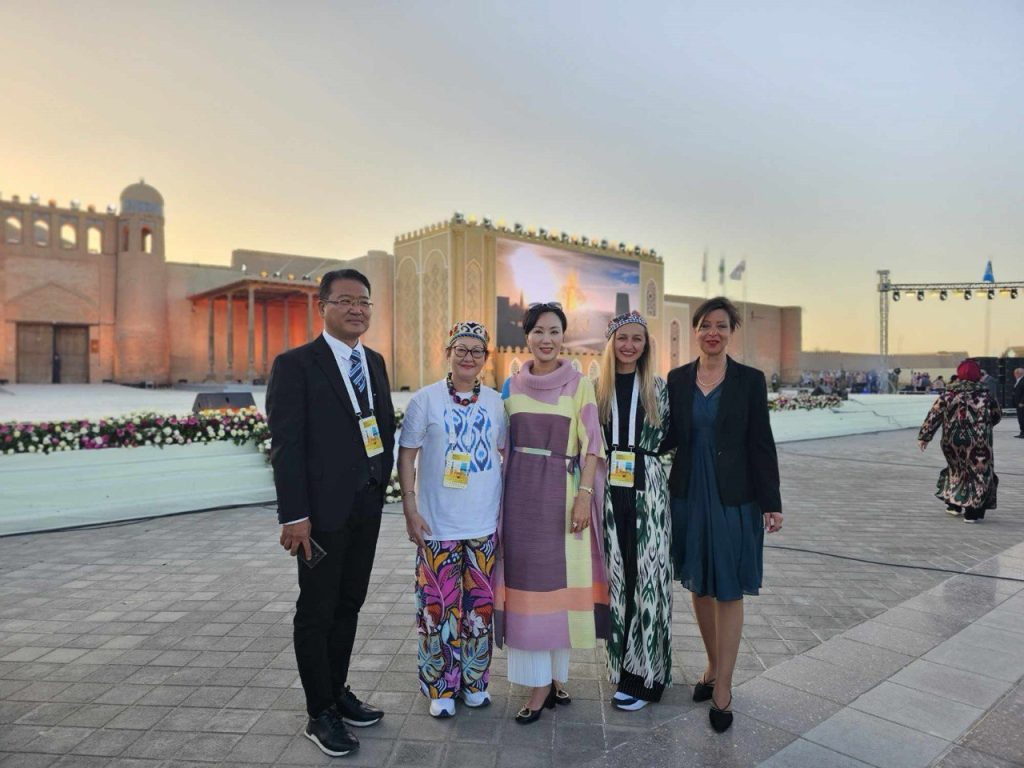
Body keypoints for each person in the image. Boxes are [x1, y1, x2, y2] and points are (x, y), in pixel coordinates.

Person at [266, 268, 395, 758]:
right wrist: (294, 515)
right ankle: (319, 712)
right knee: (317, 610)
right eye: (345, 300)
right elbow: (287, 446)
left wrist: (379, 486)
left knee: (349, 603)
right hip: (318, 517)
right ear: (322, 307)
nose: (356, 309)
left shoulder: (374, 362)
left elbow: (381, 429)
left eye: (364, 301)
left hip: (365, 508)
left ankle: (337, 691)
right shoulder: (296, 365)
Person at [664, 296, 783, 734]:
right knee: (699, 583)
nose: (712, 333)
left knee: (729, 587)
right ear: (695, 331)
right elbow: (667, 435)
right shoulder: (677, 379)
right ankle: (713, 666)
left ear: (731, 332)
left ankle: (724, 687)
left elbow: (761, 442)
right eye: (705, 325)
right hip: (689, 493)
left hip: (735, 496)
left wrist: (771, 501)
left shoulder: (749, 381)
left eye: (721, 326)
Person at [496, 302, 608, 724]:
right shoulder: (511, 386)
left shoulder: (580, 385)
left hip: (562, 497)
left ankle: (553, 679)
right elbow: (501, 442)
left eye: (554, 331)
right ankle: (539, 682)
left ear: (564, 337)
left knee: (561, 586)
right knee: (527, 588)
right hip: (519, 498)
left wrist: (583, 496)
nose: (546, 339)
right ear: (527, 335)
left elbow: (592, 445)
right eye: (539, 331)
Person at [397, 322, 506, 718]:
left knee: (479, 610)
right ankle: (440, 687)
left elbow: (504, 453)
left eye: (476, 351)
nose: (468, 357)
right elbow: (407, 455)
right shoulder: (425, 400)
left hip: (482, 523)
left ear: (485, 359)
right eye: (461, 349)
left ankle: (475, 682)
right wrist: (410, 507)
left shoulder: (496, 402)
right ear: (448, 353)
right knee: (437, 609)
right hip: (437, 524)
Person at [595, 311, 672, 711]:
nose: (629, 345)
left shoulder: (658, 388)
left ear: (645, 345)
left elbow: (673, 439)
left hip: (649, 492)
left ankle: (647, 676)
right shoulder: (597, 389)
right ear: (611, 343)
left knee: (648, 580)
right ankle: (623, 668)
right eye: (622, 338)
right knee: (619, 581)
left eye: (637, 339)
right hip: (609, 493)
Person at [919, 359, 1001, 523]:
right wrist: (984, 425)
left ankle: (954, 505)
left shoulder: (948, 394)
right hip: (978, 442)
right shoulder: (986, 395)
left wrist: (924, 436)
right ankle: (972, 512)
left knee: (956, 471)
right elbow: (997, 415)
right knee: (978, 474)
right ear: (977, 375)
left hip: (952, 441)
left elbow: (934, 415)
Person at [1013, 368, 1024, 438]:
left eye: (1015, 373)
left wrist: (1022, 402)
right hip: (1018, 403)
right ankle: (1022, 432)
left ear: (1019, 373)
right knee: (1020, 418)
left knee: (1022, 418)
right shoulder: (1019, 380)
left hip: (1021, 404)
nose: (1014, 375)